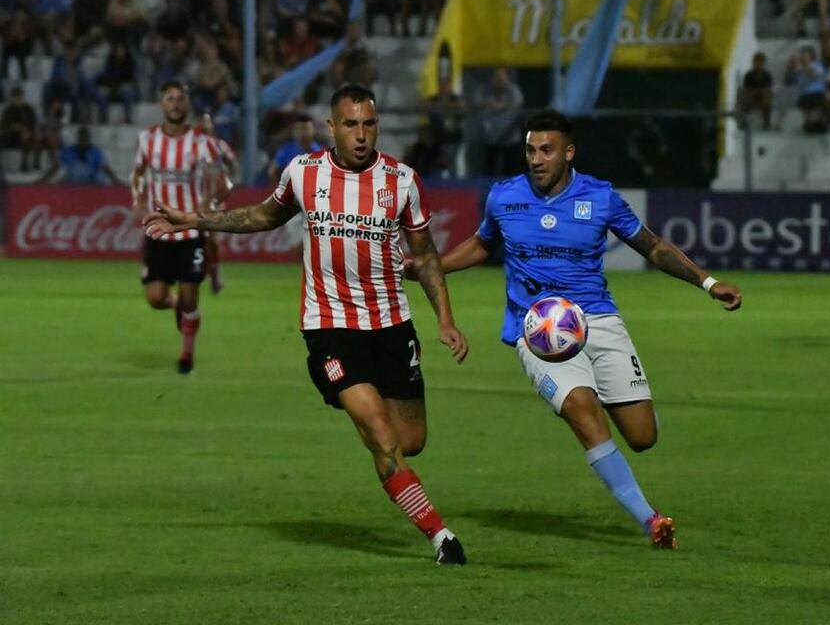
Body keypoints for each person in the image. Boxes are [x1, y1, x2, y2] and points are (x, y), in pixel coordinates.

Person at [142, 84, 470, 565]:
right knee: (380, 435)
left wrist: (445, 319)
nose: (361, 135)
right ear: (331, 127)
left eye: (369, 124)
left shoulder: (402, 181)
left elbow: (424, 256)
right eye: (351, 125)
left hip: (391, 324)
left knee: (410, 441)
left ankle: (380, 439)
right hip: (329, 325)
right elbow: (262, 215)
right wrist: (194, 219)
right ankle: (441, 537)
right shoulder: (304, 172)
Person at [418, 110, 742, 549]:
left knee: (642, 436)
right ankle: (650, 519)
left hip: (599, 322)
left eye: (546, 150)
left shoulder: (600, 197)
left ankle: (614, 393)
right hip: (537, 330)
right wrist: (430, 267)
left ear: (568, 153)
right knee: (581, 410)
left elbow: (652, 246)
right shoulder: (504, 196)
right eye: (531, 150)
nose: (536, 159)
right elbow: (481, 245)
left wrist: (707, 282)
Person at [131, 81, 227, 374]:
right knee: (155, 298)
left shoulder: (201, 143)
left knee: (190, 297)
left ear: (187, 104)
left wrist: (207, 204)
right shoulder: (148, 139)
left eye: (180, 99)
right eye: (170, 98)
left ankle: (186, 356)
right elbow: (137, 175)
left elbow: (221, 182)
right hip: (159, 231)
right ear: (162, 104)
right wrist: (138, 201)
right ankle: (176, 306)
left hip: (190, 232)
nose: (175, 103)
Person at [199, 111, 239, 295]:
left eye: (207, 122)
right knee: (196, 241)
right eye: (201, 122)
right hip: (192, 199)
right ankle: (200, 273)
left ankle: (214, 274)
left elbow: (233, 165)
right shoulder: (189, 147)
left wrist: (225, 179)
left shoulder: (220, 145)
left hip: (214, 200)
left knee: (212, 241)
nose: (204, 125)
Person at [38, 126, 123, 185]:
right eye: (81, 138)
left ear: (88, 139)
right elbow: (56, 167)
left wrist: (115, 180)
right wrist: (43, 180)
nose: (83, 141)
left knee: (101, 180)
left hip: (92, 183)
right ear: (78, 138)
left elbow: (106, 168)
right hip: (73, 183)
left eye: (85, 138)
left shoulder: (96, 152)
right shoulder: (69, 151)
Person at [267, 114, 324, 182]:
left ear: (313, 130)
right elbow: (272, 171)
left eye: (306, 129)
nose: (303, 133)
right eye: (299, 129)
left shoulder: (321, 152)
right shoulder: (285, 150)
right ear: (295, 131)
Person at [739, 52, 773, 130]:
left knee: (766, 97)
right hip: (751, 96)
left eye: (760, 63)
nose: (758, 64)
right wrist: (756, 91)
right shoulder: (749, 75)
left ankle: (767, 123)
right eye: (756, 62)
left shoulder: (767, 75)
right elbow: (747, 88)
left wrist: (760, 91)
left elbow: (768, 88)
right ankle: (744, 121)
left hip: (763, 97)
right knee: (745, 98)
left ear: (763, 63)